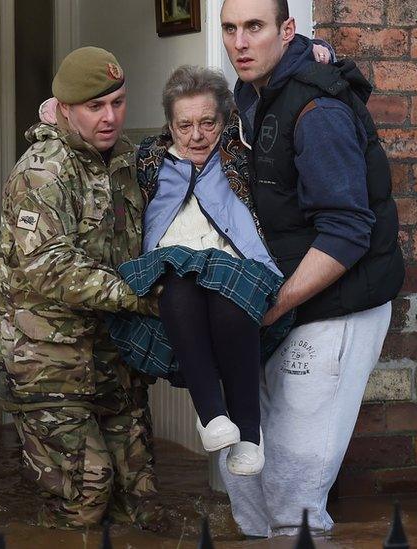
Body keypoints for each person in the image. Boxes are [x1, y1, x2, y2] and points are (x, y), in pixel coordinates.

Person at [217, 0, 405, 537]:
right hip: (286, 302)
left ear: (288, 30)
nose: (240, 43)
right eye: (231, 29)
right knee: (246, 485)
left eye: (255, 27)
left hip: (336, 305)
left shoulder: (316, 111)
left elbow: (348, 232)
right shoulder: (252, 95)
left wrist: (268, 306)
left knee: (292, 497)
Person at [0, 46, 160, 529]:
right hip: (48, 364)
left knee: (140, 497)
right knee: (86, 493)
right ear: (64, 108)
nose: (110, 117)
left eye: (119, 103)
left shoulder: (126, 159)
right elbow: (50, 268)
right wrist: (141, 296)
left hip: (114, 360)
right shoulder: (42, 171)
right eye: (95, 107)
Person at [105, 65, 295, 478]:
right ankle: (211, 415)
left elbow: (275, 95)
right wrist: (53, 111)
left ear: (224, 121)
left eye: (207, 123)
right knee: (178, 285)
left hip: (239, 274)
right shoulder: (149, 163)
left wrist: (321, 51)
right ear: (169, 126)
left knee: (228, 297)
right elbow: (91, 142)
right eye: (184, 125)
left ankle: (249, 433)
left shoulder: (244, 154)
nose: (196, 136)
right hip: (174, 276)